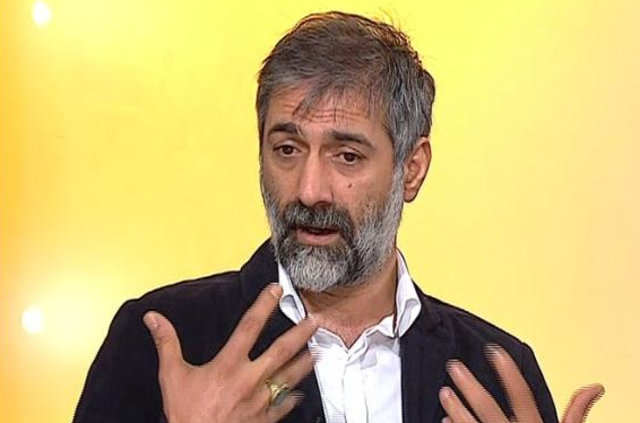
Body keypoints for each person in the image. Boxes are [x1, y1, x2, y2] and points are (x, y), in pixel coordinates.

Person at [73, 11, 603, 423]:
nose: (309, 191)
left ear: (411, 169)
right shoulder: (166, 343)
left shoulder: (494, 374)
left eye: (346, 156)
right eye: (287, 149)